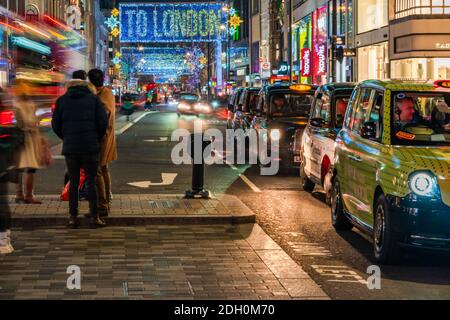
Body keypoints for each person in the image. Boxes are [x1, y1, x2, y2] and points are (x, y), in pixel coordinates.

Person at [52, 75, 108, 229]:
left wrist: (66, 137)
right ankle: (94, 216)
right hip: (90, 147)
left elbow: (55, 124)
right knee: (92, 181)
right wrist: (95, 137)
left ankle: (73, 217)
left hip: (71, 148)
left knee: (74, 182)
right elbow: (103, 122)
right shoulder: (94, 100)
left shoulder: (62, 101)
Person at [88, 69, 117, 218]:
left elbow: (103, 120)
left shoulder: (101, 97)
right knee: (104, 169)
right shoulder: (108, 93)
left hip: (102, 139)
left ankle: (102, 205)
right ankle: (106, 200)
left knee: (98, 170)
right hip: (106, 137)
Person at [14, 81, 47, 204]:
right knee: (30, 167)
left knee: (21, 167)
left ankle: (20, 195)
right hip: (26, 139)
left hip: (25, 139)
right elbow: (23, 123)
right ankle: (27, 195)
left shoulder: (21, 104)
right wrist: (34, 126)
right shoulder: (22, 105)